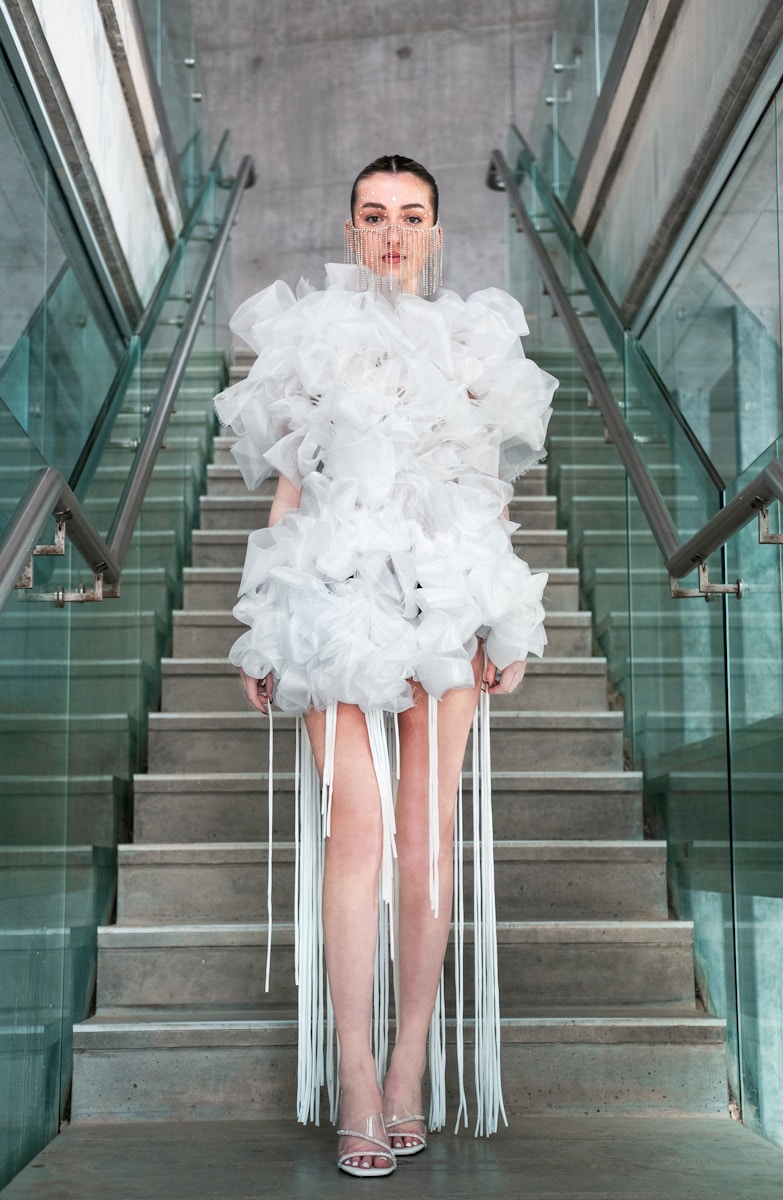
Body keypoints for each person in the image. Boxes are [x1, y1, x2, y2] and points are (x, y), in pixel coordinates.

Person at [214, 154, 557, 1178]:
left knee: (423, 840)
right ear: (352, 229)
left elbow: (487, 492)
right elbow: (286, 497)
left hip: (441, 596)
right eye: (374, 216)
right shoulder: (311, 343)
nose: (394, 233)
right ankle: (354, 1079)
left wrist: (507, 622)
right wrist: (262, 622)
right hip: (333, 593)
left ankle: (408, 1065)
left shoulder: (468, 344)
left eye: (412, 216)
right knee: (356, 830)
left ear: (437, 232)